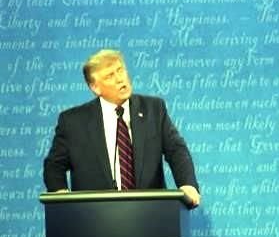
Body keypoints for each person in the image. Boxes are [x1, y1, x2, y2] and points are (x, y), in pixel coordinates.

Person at [43, 49, 201, 207]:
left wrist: (188, 185)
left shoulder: (153, 109)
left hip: (151, 214)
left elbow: (176, 150)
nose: (120, 79)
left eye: (120, 70)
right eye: (110, 76)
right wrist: (60, 195)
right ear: (95, 87)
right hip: (94, 218)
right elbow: (54, 165)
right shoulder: (73, 122)